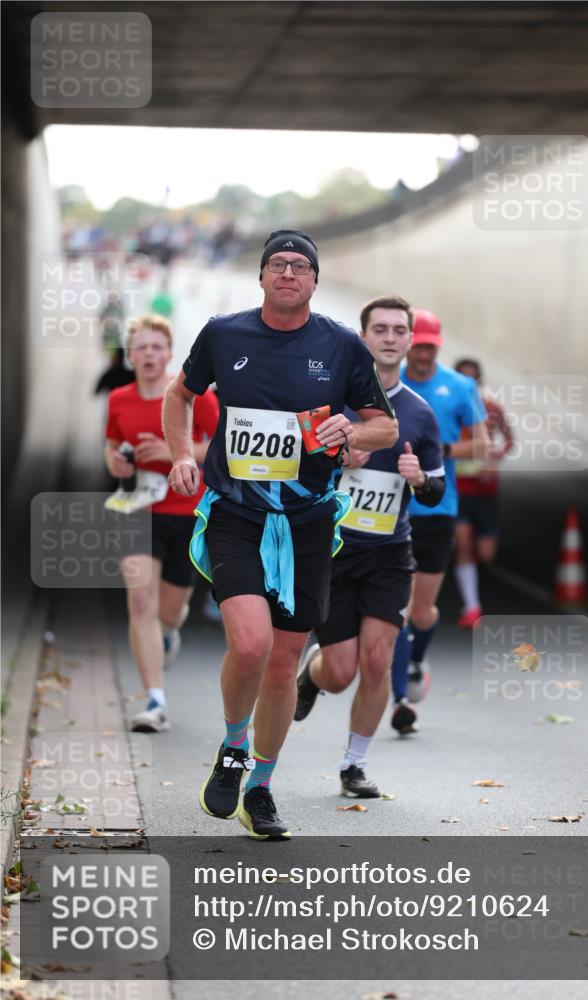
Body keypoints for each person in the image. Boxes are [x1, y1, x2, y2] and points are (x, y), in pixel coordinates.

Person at [162, 229, 398, 840]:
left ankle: (260, 789)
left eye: (301, 266)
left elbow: (384, 428)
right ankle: (234, 747)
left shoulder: (343, 347)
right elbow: (179, 395)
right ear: (262, 277)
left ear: (315, 282)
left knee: (284, 661)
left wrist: (350, 431)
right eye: (278, 265)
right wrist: (182, 454)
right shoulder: (224, 333)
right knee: (248, 644)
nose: (289, 273)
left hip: (309, 521)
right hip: (237, 511)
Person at [293, 296, 444, 796]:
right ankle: (312, 676)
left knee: (378, 661)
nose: (390, 337)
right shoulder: (334, 402)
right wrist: (338, 463)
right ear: (364, 338)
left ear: (409, 340)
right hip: (333, 550)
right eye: (379, 329)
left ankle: (353, 765)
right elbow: (291, 467)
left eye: (399, 330)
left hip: (388, 553)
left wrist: (418, 477)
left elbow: (437, 488)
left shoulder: (420, 414)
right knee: (341, 672)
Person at [105, 315, 218, 733]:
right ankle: (155, 699)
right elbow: (112, 447)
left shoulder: (192, 396)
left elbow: (223, 448)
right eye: (142, 347)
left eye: (157, 348)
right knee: (140, 603)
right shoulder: (118, 399)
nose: (149, 354)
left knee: (169, 612)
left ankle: (169, 634)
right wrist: (115, 460)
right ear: (130, 355)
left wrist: (175, 450)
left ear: (169, 355)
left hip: (186, 513)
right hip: (137, 511)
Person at [389, 310, 489, 733]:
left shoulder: (459, 387)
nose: (425, 353)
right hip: (391, 509)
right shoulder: (390, 384)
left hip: (438, 510)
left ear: (438, 346)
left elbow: (481, 445)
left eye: (432, 346)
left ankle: (415, 660)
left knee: (422, 610)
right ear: (410, 343)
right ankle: (399, 701)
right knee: (398, 609)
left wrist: (441, 453)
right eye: (420, 344)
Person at [453, 358, 513, 625]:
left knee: (486, 554)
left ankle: (470, 570)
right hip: (459, 491)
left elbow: (509, 440)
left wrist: (493, 459)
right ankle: (472, 607)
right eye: (462, 378)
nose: (468, 384)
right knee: (463, 544)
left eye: (473, 379)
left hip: (486, 491)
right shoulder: (448, 408)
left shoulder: (492, 409)